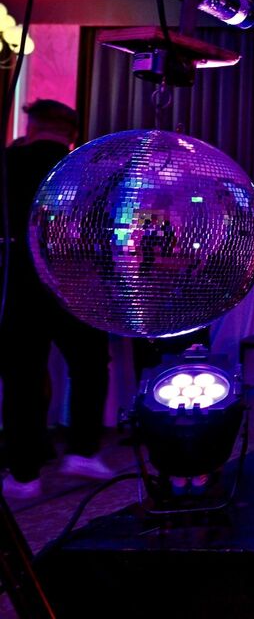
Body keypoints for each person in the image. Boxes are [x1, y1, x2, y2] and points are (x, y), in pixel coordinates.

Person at [1, 99, 115, 499]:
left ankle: (24, 473)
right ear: (71, 133)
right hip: (73, 279)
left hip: (16, 279)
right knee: (89, 365)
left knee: (22, 376)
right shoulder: (83, 169)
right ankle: (82, 451)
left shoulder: (7, 165)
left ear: (32, 127)